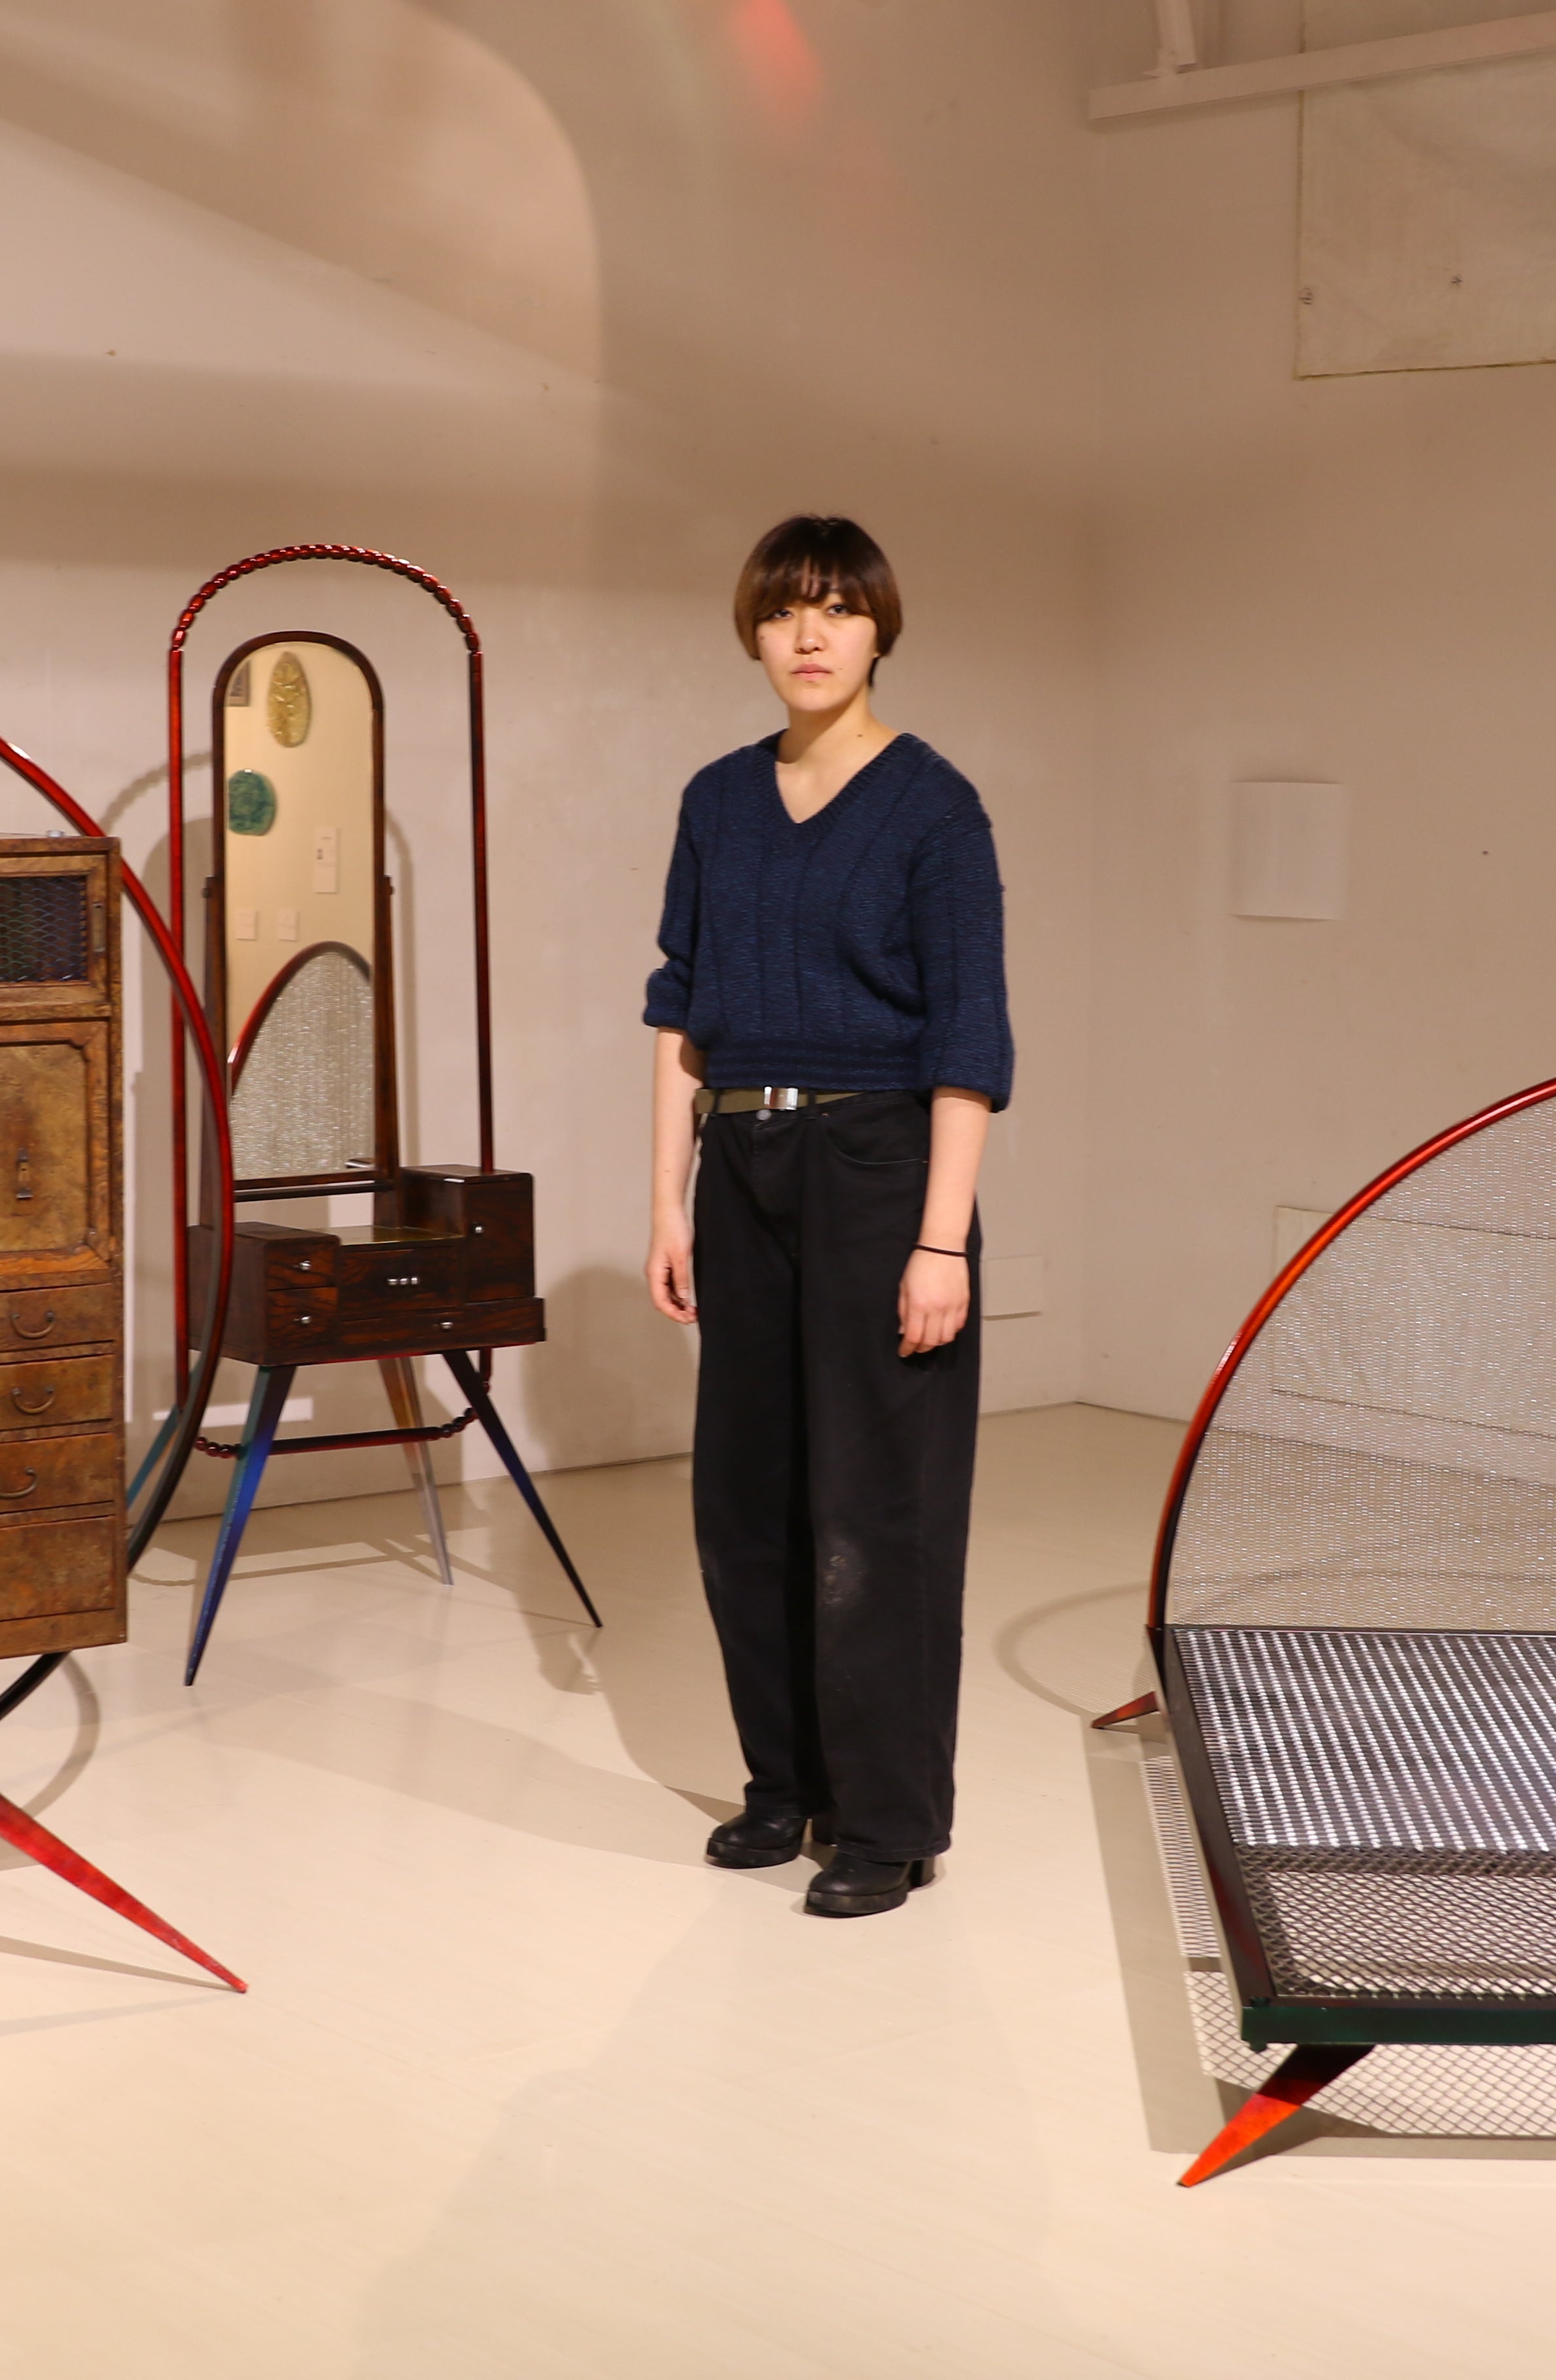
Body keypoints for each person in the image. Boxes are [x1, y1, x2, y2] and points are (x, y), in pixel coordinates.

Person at [641, 515, 1011, 1918]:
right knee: (746, 1501)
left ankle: (889, 1821)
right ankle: (783, 1784)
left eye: (840, 609)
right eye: (787, 609)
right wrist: (667, 1199)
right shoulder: (717, 801)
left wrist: (940, 1239)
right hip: (741, 1165)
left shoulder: (934, 808)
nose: (811, 634)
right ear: (754, 631)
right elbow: (679, 1012)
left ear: (878, 633)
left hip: (879, 1169)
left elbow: (969, 1039)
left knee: (879, 1511)